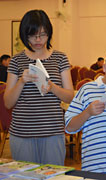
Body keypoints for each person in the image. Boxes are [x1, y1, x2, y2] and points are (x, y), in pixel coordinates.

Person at [3, 9, 74, 165]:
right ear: (24, 34)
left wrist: (52, 87)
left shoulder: (60, 58)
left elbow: (70, 96)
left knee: (53, 175)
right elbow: (8, 102)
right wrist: (21, 81)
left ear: (49, 33)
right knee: (26, 176)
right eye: (32, 35)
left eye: (42, 34)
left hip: (52, 131)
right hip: (22, 132)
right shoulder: (16, 60)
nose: (38, 40)